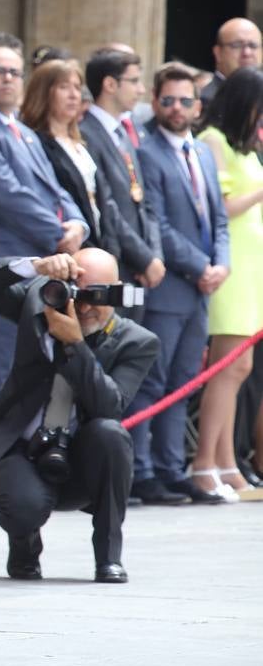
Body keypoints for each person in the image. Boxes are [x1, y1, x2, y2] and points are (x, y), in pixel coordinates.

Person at [0, 250, 158, 584]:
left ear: (118, 292)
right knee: (21, 509)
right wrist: (34, 267)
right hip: (24, 445)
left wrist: (74, 345)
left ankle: (108, 557)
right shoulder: (38, 303)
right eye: (76, 290)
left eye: (96, 294)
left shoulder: (136, 341)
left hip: (83, 455)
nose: (83, 305)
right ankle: (24, 545)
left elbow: (109, 406)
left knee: (111, 433)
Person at [0, 33, 87, 512]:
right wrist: (58, 231)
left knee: (28, 373)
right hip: (7, 272)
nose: (9, 80)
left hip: (44, 269)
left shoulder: (24, 131)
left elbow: (58, 188)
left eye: (15, 72)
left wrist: (76, 222)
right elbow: (8, 194)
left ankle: (14, 473)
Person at [128, 63, 231, 506]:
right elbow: (159, 224)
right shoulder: (146, 153)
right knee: (153, 380)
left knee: (184, 382)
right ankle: (142, 469)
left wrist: (221, 264)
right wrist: (198, 266)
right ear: (155, 102)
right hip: (170, 284)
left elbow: (219, 219)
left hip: (202, 289)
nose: (176, 108)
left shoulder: (203, 153)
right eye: (167, 100)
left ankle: (173, 468)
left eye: (184, 100)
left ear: (197, 105)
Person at [189, 68, 263, 499]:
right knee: (226, 365)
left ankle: (226, 461)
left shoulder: (245, 147)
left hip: (253, 268)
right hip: (230, 267)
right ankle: (205, 461)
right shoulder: (212, 141)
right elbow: (220, 206)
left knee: (241, 367)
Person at [79, 48, 164, 319]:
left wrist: (154, 255)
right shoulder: (87, 133)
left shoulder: (122, 133)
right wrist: (143, 258)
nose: (141, 90)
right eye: (134, 81)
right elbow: (107, 205)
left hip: (139, 267)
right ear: (110, 84)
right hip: (116, 263)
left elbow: (142, 199)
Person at [21, 58, 127, 256]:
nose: (73, 95)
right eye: (63, 87)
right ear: (44, 92)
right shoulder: (36, 142)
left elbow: (103, 201)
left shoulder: (80, 142)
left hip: (99, 247)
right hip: (68, 249)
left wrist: (110, 250)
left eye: (77, 88)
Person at [200, 17, 260, 109]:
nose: (247, 53)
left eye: (253, 46)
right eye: (237, 45)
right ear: (218, 53)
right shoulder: (207, 102)